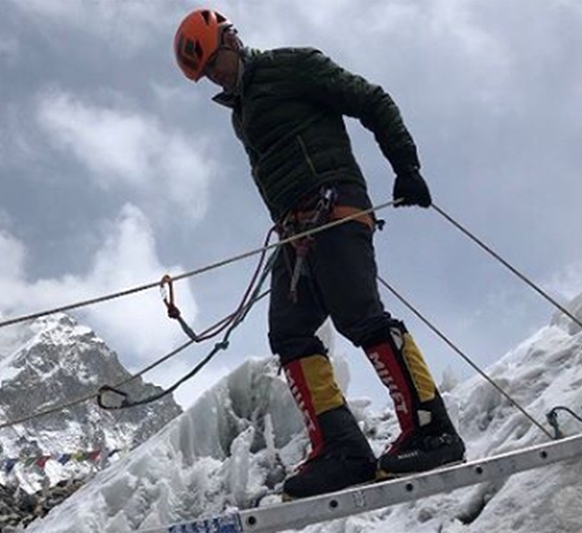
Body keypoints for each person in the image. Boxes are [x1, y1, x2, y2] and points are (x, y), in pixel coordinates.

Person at [173, 9, 466, 499]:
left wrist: (406, 165)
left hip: (335, 210)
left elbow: (371, 100)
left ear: (230, 39)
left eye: (214, 64)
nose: (215, 77)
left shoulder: (293, 66)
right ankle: (342, 448)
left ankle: (432, 426)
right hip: (296, 235)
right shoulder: (242, 114)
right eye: (205, 75)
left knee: (359, 316)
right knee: (288, 332)